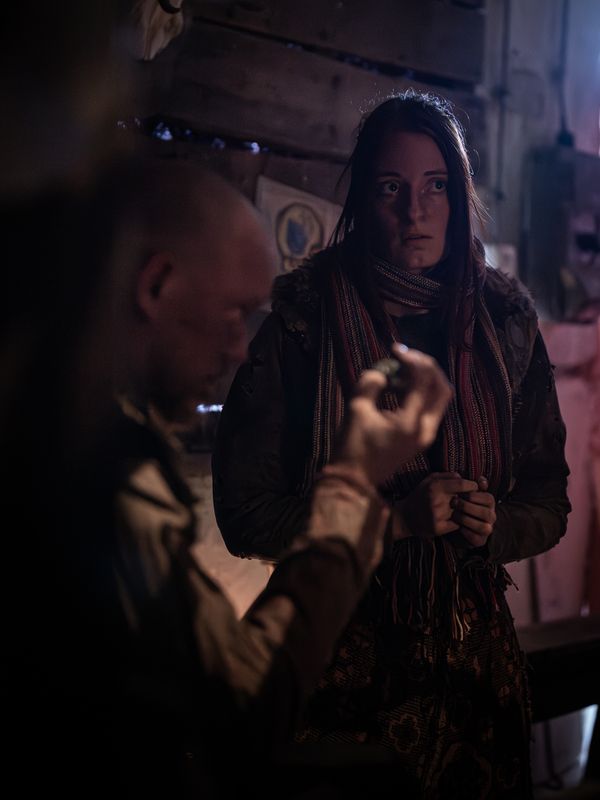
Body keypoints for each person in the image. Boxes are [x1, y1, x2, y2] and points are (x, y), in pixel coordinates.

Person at [8, 156, 450, 799]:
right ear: (156, 286)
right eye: (232, 312)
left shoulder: (63, 437)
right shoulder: (94, 483)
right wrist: (354, 482)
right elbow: (243, 705)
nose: (241, 346)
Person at [212, 90, 571, 799]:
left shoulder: (504, 323)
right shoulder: (303, 322)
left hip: (476, 684)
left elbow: (547, 500)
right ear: (363, 200)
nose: (415, 212)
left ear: (460, 197)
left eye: (436, 186)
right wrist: (390, 523)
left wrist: (494, 527)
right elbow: (246, 516)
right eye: (390, 188)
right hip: (344, 674)